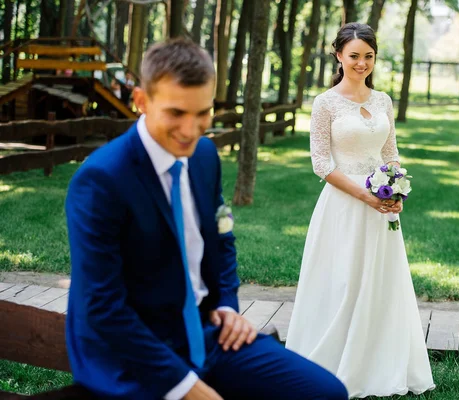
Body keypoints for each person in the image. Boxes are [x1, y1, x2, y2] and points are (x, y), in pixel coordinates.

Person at [65, 38, 348, 400]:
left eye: (203, 113)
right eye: (176, 113)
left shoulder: (203, 156)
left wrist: (227, 304)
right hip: (131, 356)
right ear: (140, 101)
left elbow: (221, 240)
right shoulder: (101, 180)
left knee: (326, 393)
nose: (191, 129)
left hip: (206, 332)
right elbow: (102, 309)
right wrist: (187, 388)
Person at [285, 23, 435, 398]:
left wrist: (395, 191)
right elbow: (322, 164)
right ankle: (333, 364)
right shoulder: (325, 103)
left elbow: (390, 155)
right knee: (343, 281)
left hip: (383, 207)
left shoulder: (382, 101)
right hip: (344, 205)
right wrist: (366, 196)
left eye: (368, 56)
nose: (361, 63)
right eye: (354, 55)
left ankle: (379, 361)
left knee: (380, 283)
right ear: (338, 55)